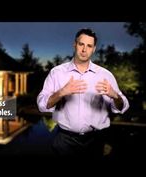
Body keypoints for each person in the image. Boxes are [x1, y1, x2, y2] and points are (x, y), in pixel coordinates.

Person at [37, 28, 129, 160]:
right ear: (75, 44)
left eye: (89, 46)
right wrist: (61, 92)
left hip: (96, 140)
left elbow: (123, 107)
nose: (84, 49)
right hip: (64, 140)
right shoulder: (57, 73)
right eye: (81, 44)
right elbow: (41, 105)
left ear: (94, 49)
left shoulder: (105, 75)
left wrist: (115, 96)